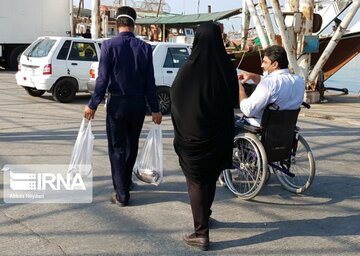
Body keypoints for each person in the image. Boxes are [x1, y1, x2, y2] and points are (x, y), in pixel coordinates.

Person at [84, 6, 162, 207]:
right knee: (131, 145)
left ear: (117, 23)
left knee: (117, 148)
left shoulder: (109, 46)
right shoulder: (145, 48)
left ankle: (121, 194)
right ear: (133, 24)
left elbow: (102, 80)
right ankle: (125, 182)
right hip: (138, 105)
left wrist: (93, 104)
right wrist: (155, 109)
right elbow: (150, 82)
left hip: (117, 104)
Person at [170, 22, 238, 251]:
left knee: (196, 181)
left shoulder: (188, 68)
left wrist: (183, 126)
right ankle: (205, 217)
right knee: (209, 177)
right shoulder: (227, 68)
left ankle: (201, 233)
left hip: (192, 136)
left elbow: (176, 99)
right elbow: (233, 102)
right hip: (218, 135)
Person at [238, 45, 305, 127]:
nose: (262, 65)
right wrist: (253, 76)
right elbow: (275, 85)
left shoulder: (269, 82)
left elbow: (248, 110)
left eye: (265, 62)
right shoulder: (299, 80)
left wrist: (240, 90)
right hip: (286, 126)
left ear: (275, 64)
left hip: (264, 125)